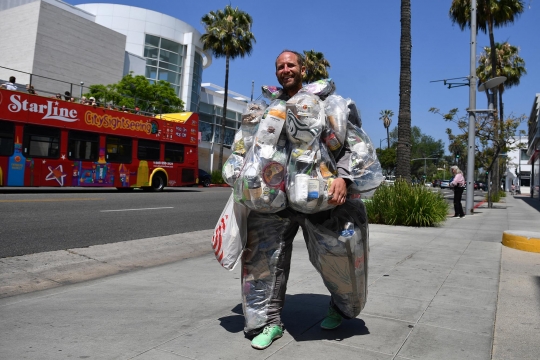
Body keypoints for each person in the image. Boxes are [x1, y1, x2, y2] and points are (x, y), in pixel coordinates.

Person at [242, 50, 353, 350]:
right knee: (270, 261)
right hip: (277, 201)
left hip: (319, 197)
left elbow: (346, 145)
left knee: (332, 257)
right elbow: (252, 149)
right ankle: (272, 322)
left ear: (303, 69)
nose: (286, 70)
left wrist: (343, 177)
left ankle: (340, 307)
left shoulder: (324, 104)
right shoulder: (270, 108)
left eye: (291, 65)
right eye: (280, 66)